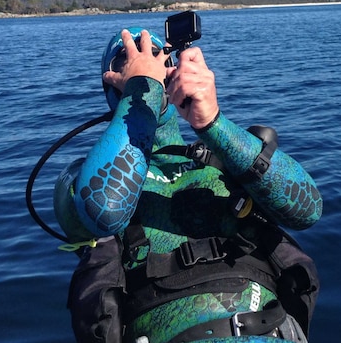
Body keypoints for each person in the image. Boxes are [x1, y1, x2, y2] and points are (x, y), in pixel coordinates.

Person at [53, 26, 323, 343]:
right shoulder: (86, 177)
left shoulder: (226, 159)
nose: (148, 64)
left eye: (157, 55)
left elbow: (309, 210)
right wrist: (143, 90)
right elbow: (105, 209)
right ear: (110, 83)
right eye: (126, 60)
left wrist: (212, 124)